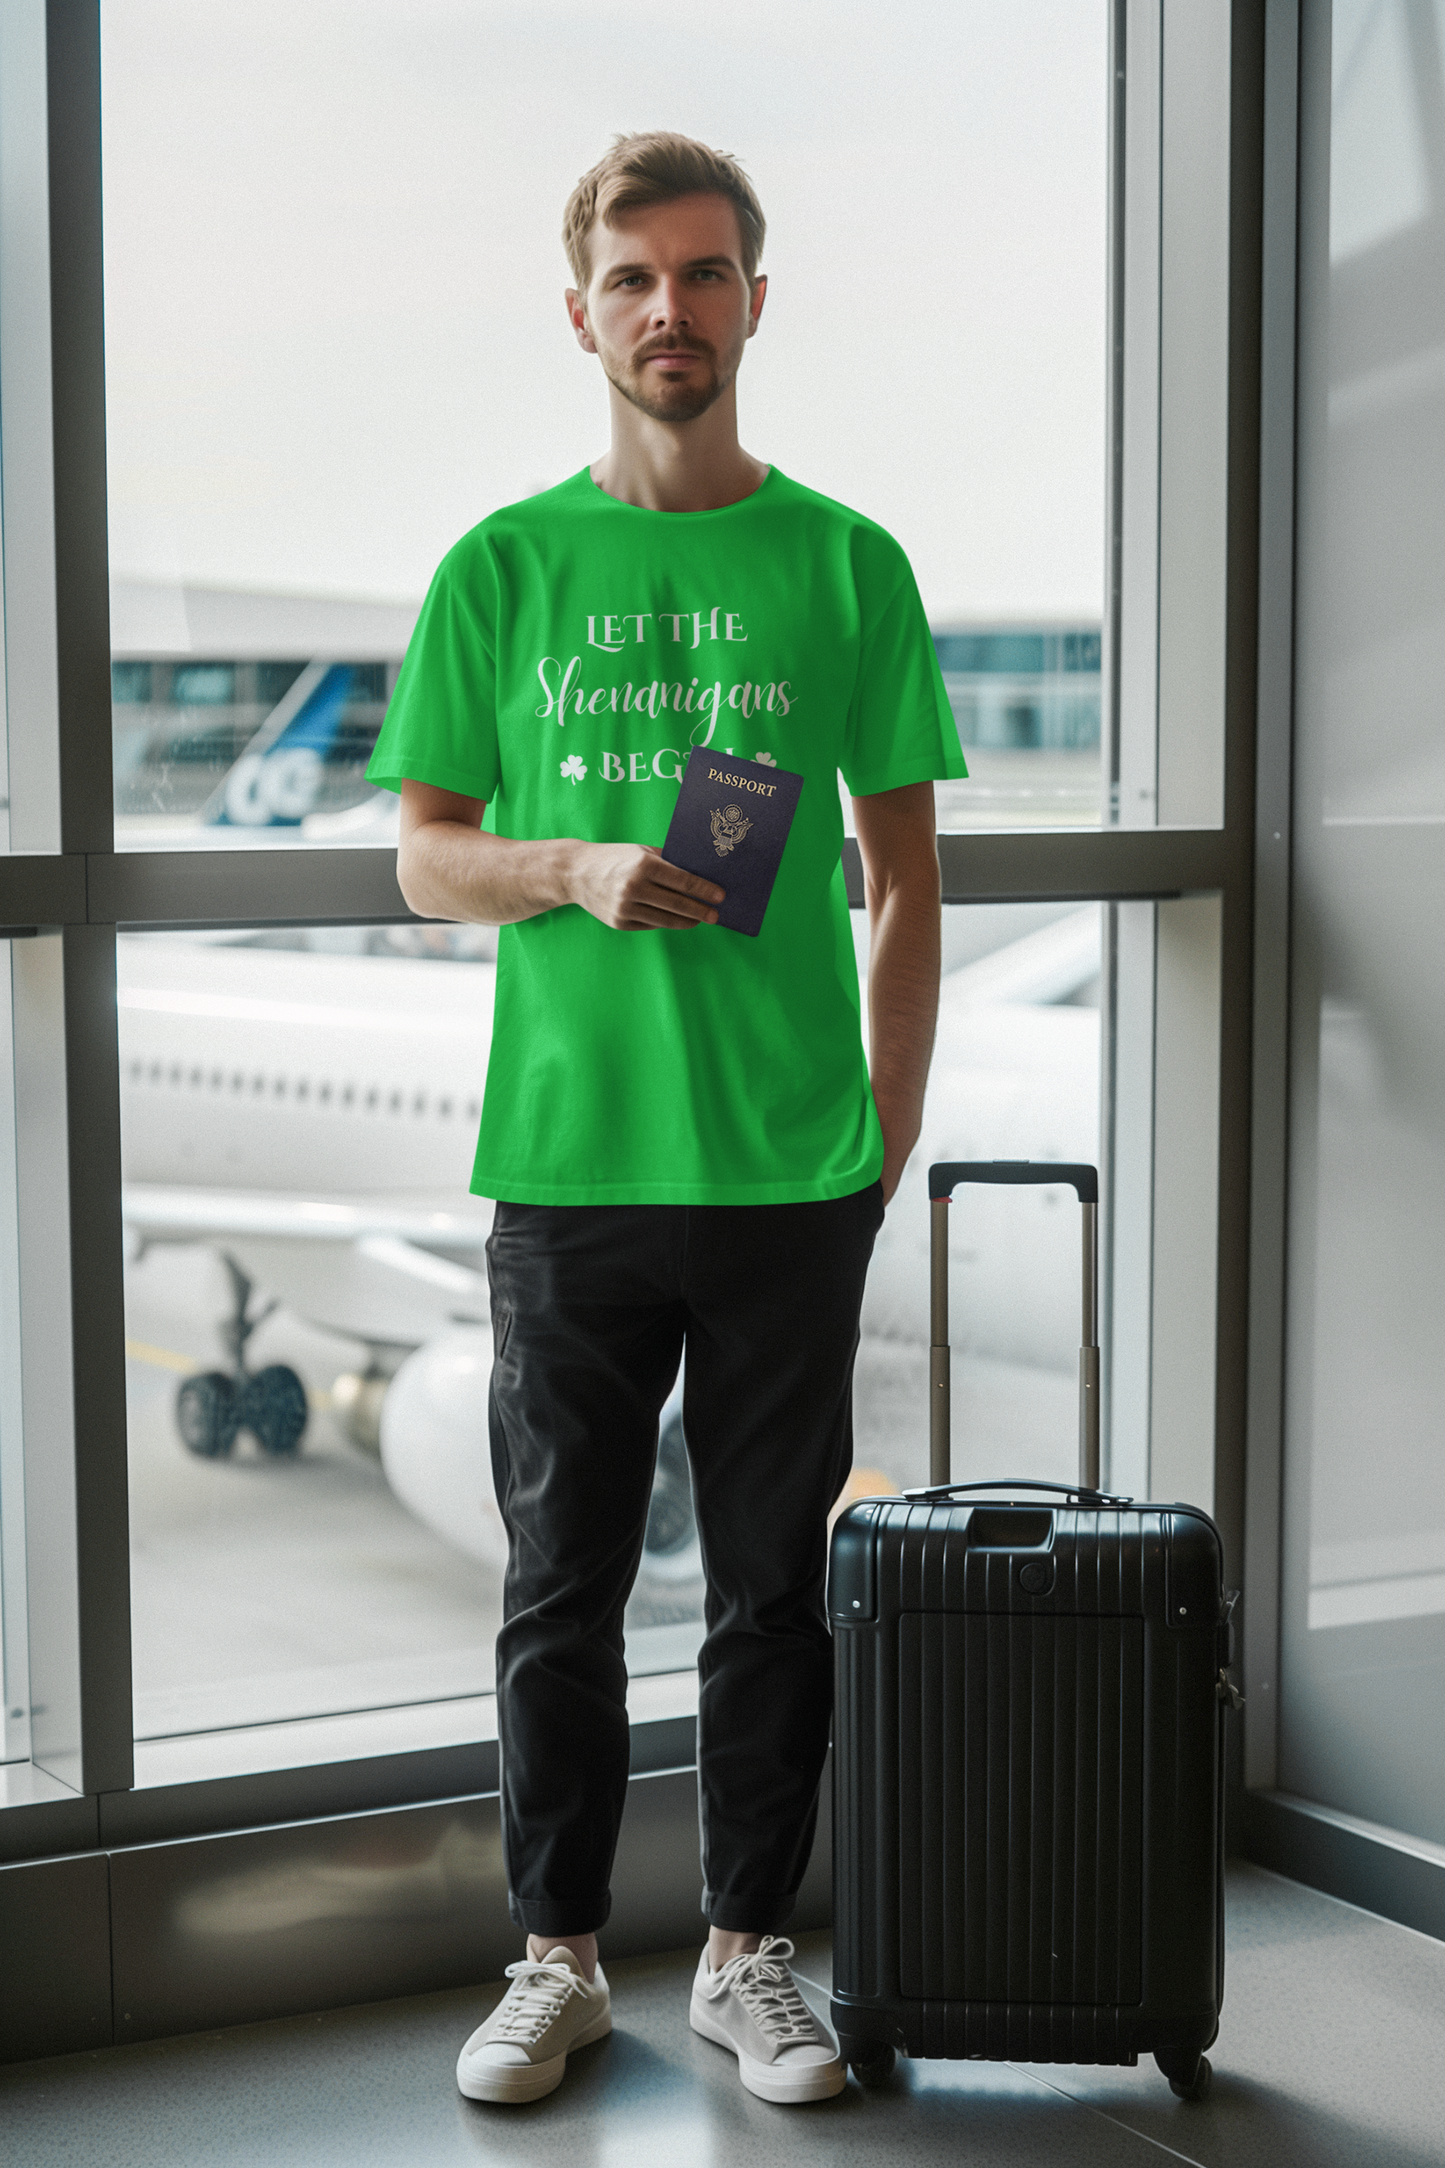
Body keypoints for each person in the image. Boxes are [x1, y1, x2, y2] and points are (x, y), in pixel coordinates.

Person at [366, 130, 966, 2108]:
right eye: (632, 280)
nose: (668, 312)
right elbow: (422, 864)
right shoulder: (502, 565)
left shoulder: (842, 564)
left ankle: (742, 1950)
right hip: (567, 1166)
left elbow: (901, 889)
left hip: (790, 1173)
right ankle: (552, 1954)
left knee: (774, 1588)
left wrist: (872, 1146)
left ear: (752, 303)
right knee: (562, 1586)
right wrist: (572, 866)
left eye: (703, 276)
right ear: (580, 313)